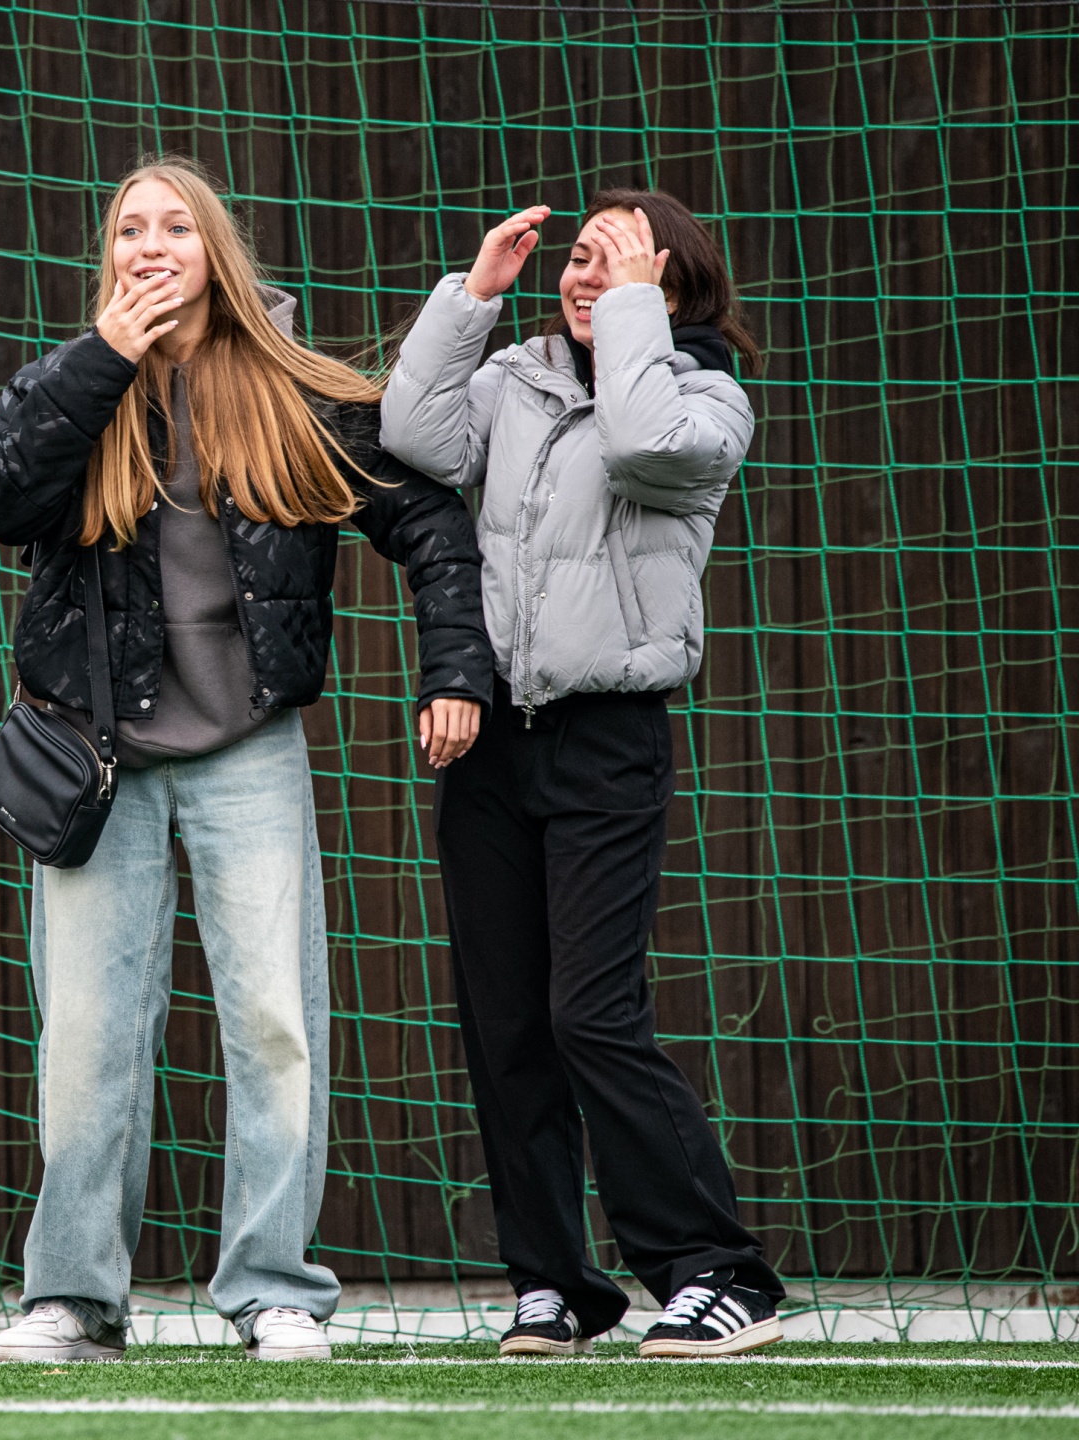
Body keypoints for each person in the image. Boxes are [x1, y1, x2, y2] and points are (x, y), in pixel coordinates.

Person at [0, 156, 492, 1363]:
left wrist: (455, 671)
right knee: (86, 1034)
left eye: (175, 228)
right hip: (97, 752)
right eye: (129, 230)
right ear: (109, 258)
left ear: (216, 253)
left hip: (248, 746)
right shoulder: (72, 381)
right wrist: (104, 357)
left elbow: (428, 522)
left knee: (273, 1021)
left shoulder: (295, 390)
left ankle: (274, 1288)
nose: (150, 245)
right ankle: (73, 1297)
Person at [380, 190, 784, 1357]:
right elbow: (414, 437)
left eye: (614, 258)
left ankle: (717, 1272)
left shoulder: (706, 399)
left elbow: (644, 442)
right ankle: (553, 1283)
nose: (583, 274)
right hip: (494, 746)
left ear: (671, 281)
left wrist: (634, 307)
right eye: (578, 257)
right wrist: (475, 296)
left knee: (590, 1015)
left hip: (610, 740)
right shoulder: (516, 379)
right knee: (506, 1024)